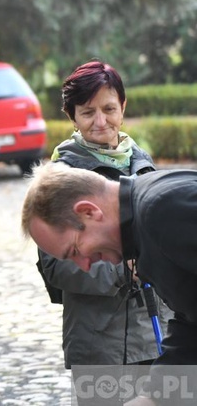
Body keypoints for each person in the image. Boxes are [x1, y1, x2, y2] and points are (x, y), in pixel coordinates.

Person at [37, 61, 171, 379]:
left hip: (162, 339)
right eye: (87, 112)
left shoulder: (143, 164)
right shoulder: (58, 180)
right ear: (71, 116)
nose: (101, 122)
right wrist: (121, 271)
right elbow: (56, 265)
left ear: (123, 107)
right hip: (100, 348)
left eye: (109, 109)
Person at [22, 162, 197, 405]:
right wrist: (153, 397)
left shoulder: (160, 210)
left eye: (74, 250)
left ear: (88, 212)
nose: (84, 265)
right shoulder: (145, 225)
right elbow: (191, 317)